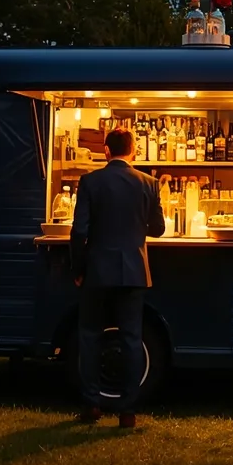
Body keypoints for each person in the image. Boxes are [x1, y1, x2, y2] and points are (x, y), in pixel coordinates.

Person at [70, 128, 165, 428]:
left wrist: (78, 269)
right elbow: (159, 229)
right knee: (131, 340)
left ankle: (92, 406)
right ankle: (127, 411)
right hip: (134, 270)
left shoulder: (90, 182)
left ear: (106, 152)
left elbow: (79, 232)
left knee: (89, 336)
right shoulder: (149, 184)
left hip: (97, 270)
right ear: (134, 150)